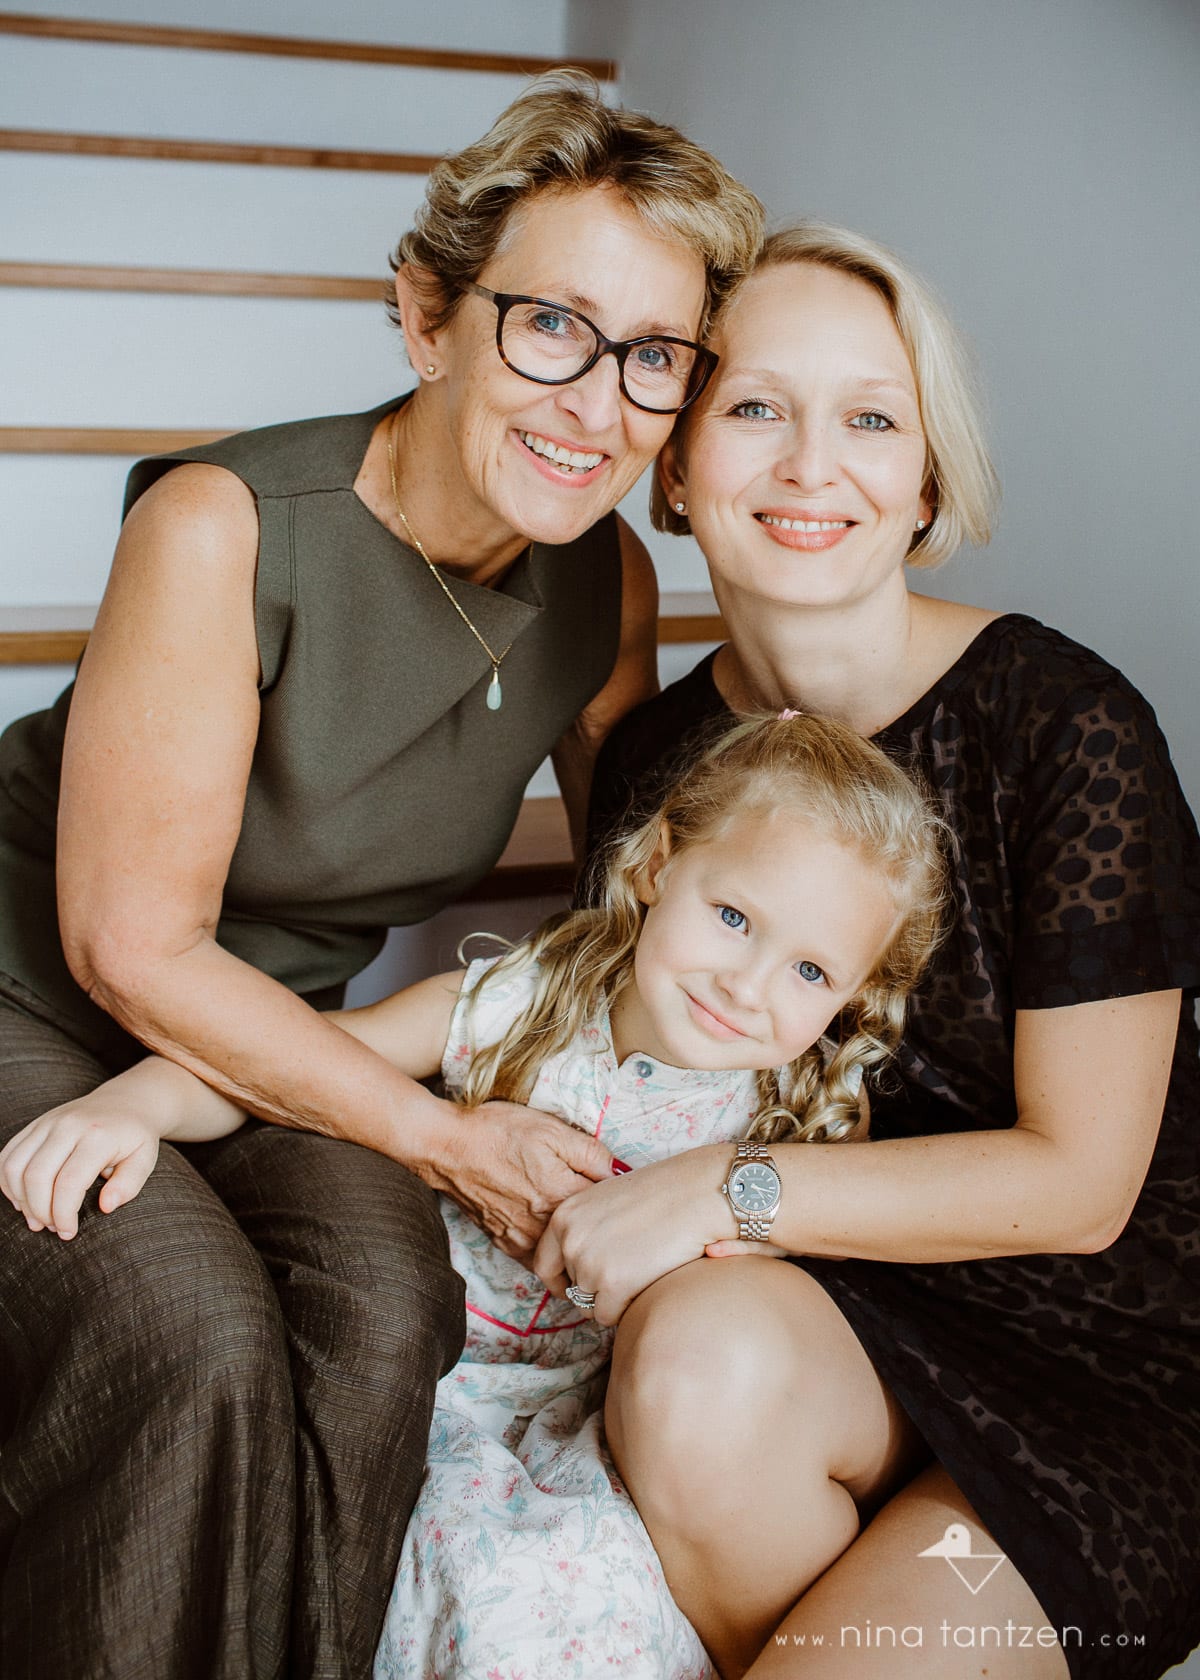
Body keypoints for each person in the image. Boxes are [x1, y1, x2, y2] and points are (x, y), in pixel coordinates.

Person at [0, 74, 763, 1679]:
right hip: (35, 981)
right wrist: (440, 1127)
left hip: (259, 1024)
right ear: (427, 316)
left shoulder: (605, 580)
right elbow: (130, 946)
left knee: (392, 1309)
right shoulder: (222, 525)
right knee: (185, 1336)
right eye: (548, 324)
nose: (595, 404)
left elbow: (648, 870)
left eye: (652, 359)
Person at [2, 711, 948, 1680]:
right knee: (401, 1572)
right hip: (440, 1388)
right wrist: (136, 1106)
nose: (748, 986)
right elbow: (298, 1064)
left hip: (600, 1426)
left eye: (809, 971)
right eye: (735, 917)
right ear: (662, 865)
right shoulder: (524, 1006)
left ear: (852, 1000)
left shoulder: (799, 1115)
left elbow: (814, 1306)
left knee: (575, 1612)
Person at [574, 223, 1200, 1680]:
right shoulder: (659, 766)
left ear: (924, 479)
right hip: (844, 1313)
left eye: (869, 417)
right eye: (754, 410)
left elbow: (1082, 1185)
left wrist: (717, 1190)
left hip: (1115, 1350)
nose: (810, 466)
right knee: (688, 1364)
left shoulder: (1067, 726)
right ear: (676, 463)